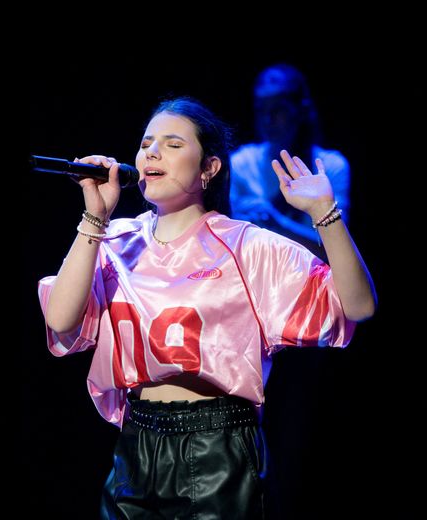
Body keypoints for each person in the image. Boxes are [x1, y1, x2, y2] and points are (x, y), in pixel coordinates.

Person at [37, 96, 376, 519]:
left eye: (173, 144)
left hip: (217, 446)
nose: (152, 153)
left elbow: (358, 306)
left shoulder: (246, 246)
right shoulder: (115, 241)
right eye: (146, 144)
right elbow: (60, 319)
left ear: (209, 168)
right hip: (136, 446)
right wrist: (95, 217)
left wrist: (325, 212)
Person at [230, 63, 351, 253]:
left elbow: (335, 247)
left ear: (300, 111)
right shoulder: (240, 163)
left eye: (278, 110)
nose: (268, 120)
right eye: (262, 110)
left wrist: (275, 222)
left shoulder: (331, 166)